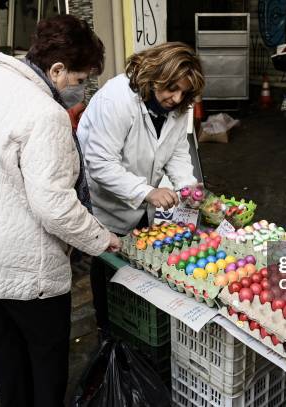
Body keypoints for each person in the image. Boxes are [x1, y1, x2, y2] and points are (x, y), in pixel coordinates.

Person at [0, 15, 121, 407]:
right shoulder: (43, 113)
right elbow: (54, 205)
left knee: (3, 340)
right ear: (57, 68)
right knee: (46, 353)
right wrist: (103, 239)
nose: (79, 91)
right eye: (78, 80)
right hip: (20, 261)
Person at [77, 42, 205, 338]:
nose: (176, 98)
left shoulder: (178, 106)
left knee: (139, 264)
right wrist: (147, 192)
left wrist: (186, 186)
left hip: (142, 202)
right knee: (107, 266)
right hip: (105, 202)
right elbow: (99, 162)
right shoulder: (118, 98)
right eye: (171, 88)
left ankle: (138, 326)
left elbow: (175, 151)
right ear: (154, 74)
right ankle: (107, 330)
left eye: (184, 93)